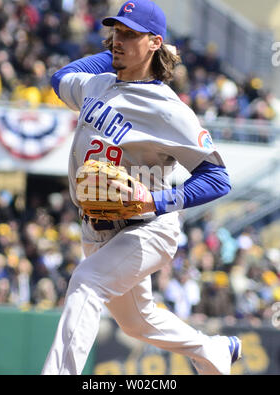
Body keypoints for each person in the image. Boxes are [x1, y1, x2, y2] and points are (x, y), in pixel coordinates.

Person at [42, 0, 241, 375]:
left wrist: (155, 199)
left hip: (148, 227)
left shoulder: (168, 109)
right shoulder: (96, 85)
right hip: (97, 227)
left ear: (154, 42)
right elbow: (60, 78)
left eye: (130, 34)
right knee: (137, 322)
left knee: (86, 283)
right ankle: (213, 349)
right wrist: (121, 57)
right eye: (116, 32)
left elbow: (217, 177)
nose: (117, 40)